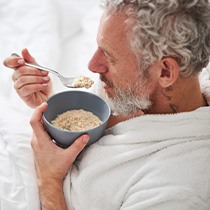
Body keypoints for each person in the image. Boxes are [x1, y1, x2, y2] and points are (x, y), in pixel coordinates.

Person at [3, 0, 210, 209]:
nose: (92, 66)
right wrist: (52, 103)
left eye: (109, 57)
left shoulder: (176, 192)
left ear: (165, 72)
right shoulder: (135, 93)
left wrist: (48, 179)